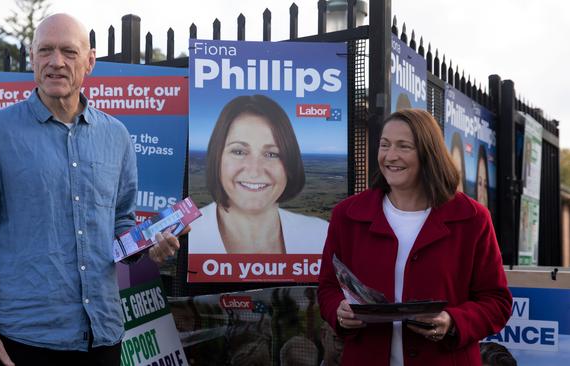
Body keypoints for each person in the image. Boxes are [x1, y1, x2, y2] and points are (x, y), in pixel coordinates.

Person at [0, 14, 184, 366]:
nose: (56, 62)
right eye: (46, 50)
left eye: (69, 52)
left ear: (89, 61)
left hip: (103, 336)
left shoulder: (116, 136)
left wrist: (150, 248)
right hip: (21, 339)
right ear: (32, 57)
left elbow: (120, 223)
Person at [317, 109, 512, 366]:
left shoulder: (472, 218)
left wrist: (452, 321)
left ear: (428, 154)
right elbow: (328, 288)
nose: (390, 156)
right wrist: (338, 310)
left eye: (404, 146)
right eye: (384, 145)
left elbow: (496, 301)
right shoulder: (348, 215)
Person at [191, 94, 328, 254]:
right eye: (239, 151)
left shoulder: (321, 235)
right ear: (217, 157)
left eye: (271, 154)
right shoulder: (186, 237)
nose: (254, 171)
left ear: (290, 163)